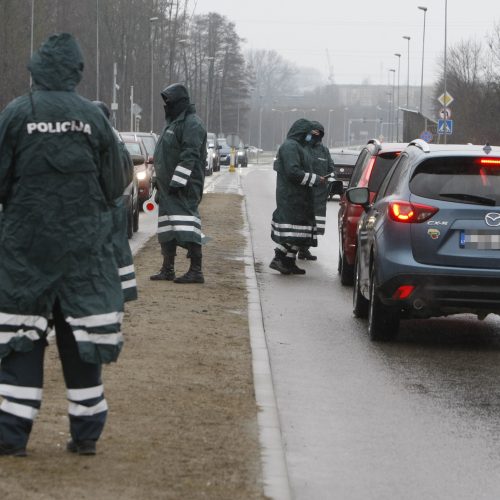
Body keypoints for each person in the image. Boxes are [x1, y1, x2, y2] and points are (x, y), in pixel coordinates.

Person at [0, 33, 126, 457]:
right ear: (76, 71)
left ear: (36, 70)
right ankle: (86, 436)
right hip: (82, 254)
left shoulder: (17, 113)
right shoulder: (93, 119)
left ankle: (10, 437)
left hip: (25, 254)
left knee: (21, 339)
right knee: (81, 341)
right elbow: (116, 181)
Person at [150, 83, 207, 284]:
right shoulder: (172, 122)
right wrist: (159, 180)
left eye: (169, 102)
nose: (166, 106)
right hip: (166, 188)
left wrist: (178, 181)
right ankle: (168, 268)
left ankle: (196, 270)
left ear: (180, 102)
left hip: (184, 187)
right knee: (167, 228)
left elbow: (190, 155)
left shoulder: (192, 123)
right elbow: (165, 155)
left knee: (187, 225)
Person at [93, 100, 138, 302]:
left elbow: (120, 175)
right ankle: (122, 290)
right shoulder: (114, 139)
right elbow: (128, 173)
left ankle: (114, 291)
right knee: (116, 250)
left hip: (107, 204)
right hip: (114, 204)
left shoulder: (105, 140)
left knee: (108, 251)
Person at [269, 118, 326, 275]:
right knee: (292, 233)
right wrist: (314, 179)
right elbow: (293, 172)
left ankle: (289, 261)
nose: (311, 137)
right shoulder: (290, 147)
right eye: (309, 134)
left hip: (301, 197)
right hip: (291, 196)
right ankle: (279, 258)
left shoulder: (301, 147)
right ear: (301, 132)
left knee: (301, 232)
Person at [298, 121, 334, 261]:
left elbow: (331, 169)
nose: (314, 136)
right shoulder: (300, 147)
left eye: (317, 134)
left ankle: (305, 249)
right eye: (312, 133)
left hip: (319, 195)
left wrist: (332, 182)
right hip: (302, 193)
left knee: (314, 225)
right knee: (300, 223)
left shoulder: (324, 151)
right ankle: (295, 249)